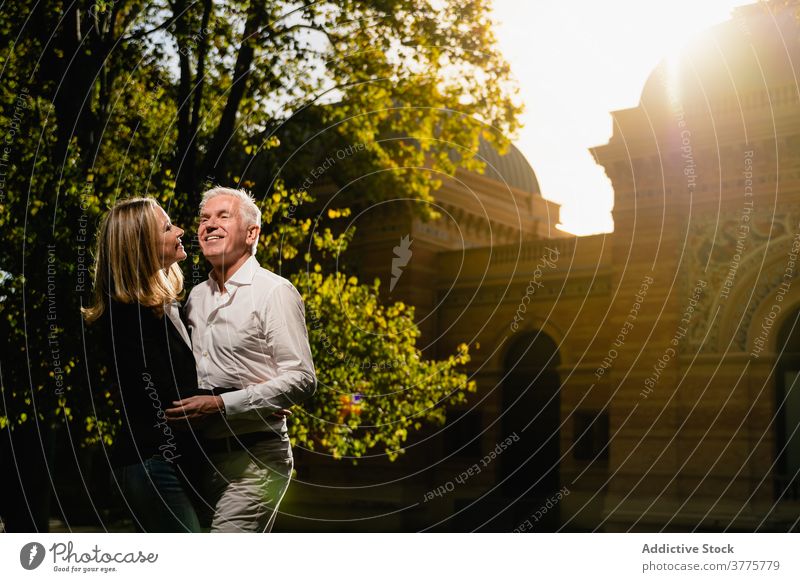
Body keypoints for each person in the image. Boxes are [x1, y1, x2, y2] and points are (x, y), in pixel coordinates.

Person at [166, 186, 317, 532]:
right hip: (199, 459)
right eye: (204, 218)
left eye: (223, 216)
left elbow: (302, 378)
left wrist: (224, 404)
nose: (209, 225)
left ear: (252, 233)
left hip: (257, 462)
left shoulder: (274, 292)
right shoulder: (194, 298)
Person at [83, 197, 202, 532]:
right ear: (140, 244)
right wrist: (246, 401)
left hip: (164, 462)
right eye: (167, 227)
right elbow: (173, 397)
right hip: (151, 462)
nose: (180, 230)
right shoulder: (127, 316)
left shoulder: (159, 307)